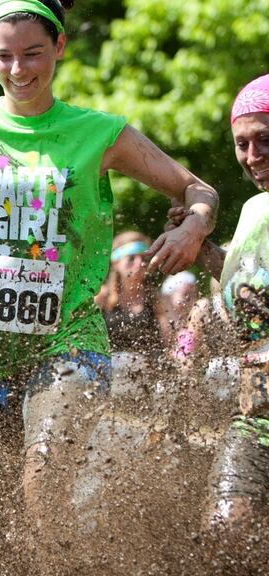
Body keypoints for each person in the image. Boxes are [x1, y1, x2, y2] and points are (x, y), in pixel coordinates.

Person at [0, 0, 218, 540]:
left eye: (33, 54)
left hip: (68, 336)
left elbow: (196, 189)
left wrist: (193, 228)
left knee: (44, 482)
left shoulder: (98, 133)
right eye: (5, 56)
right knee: (0, 516)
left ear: (60, 46)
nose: (18, 69)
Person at [167, 73, 269, 558]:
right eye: (241, 144)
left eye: (264, 140)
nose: (253, 156)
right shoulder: (254, 210)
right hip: (256, 415)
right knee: (227, 534)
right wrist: (202, 247)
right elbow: (245, 288)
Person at [99, 231, 167, 377]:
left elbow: (169, 342)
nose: (139, 264)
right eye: (131, 258)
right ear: (116, 263)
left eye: (143, 259)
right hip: (110, 373)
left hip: (148, 374)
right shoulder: (102, 298)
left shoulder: (157, 299)